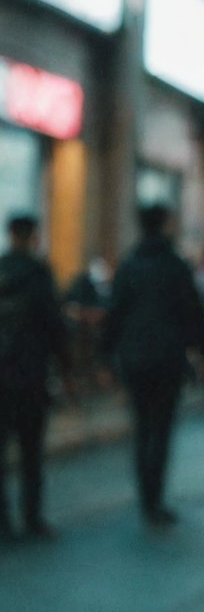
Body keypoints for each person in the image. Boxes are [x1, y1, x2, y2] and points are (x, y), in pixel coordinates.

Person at [102, 204, 204, 526]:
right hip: (167, 357)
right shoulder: (175, 265)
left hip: (134, 357)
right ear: (164, 224)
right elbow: (192, 312)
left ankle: (144, 496)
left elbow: (115, 314)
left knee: (141, 427)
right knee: (161, 428)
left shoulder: (128, 265)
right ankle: (155, 501)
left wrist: (106, 356)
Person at [0, 214, 69, 540]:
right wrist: (65, 368)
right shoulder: (40, 274)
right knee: (31, 451)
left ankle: (3, 520)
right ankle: (32, 517)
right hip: (31, 373)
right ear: (34, 236)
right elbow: (55, 326)